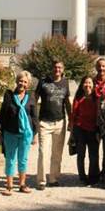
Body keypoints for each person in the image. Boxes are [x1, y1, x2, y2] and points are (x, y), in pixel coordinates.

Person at [0, 70, 37, 195]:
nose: (22, 84)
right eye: (20, 81)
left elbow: (34, 116)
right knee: (10, 159)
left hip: (26, 133)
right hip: (10, 131)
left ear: (28, 84)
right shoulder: (9, 96)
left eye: (25, 82)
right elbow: (3, 113)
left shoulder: (31, 97)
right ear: (16, 81)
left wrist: (35, 133)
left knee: (23, 159)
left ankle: (22, 184)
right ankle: (9, 186)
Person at [35, 60, 71, 190]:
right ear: (52, 68)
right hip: (44, 121)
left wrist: (71, 119)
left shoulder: (65, 82)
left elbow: (66, 101)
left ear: (63, 69)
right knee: (43, 152)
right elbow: (35, 97)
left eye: (60, 67)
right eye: (55, 67)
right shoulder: (43, 81)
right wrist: (34, 116)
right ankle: (41, 180)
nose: (57, 69)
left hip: (60, 122)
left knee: (57, 153)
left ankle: (53, 178)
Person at [70, 76, 100, 186]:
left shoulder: (97, 98)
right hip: (80, 129)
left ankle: (93, 177)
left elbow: (99, 115)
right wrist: (72, 134)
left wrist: (99, 130)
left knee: (93, 155)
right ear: (82, 85)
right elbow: (73, 116)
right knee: (81, 155)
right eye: (85, 83)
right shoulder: (78, 98)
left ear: (93, 85)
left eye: (90, 83)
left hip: (93, 130)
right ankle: (82, 177)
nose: (88, 85)